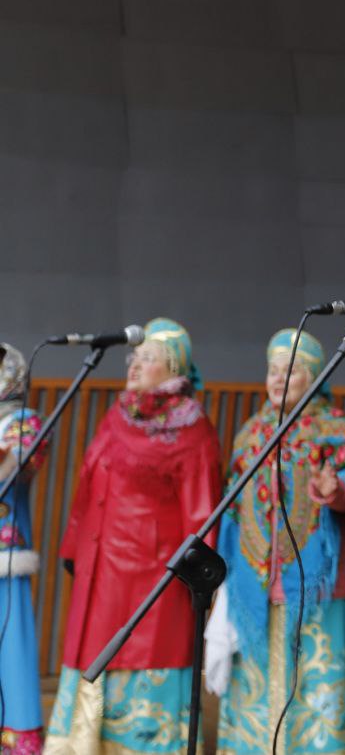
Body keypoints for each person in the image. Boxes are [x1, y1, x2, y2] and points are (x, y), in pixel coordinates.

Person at [46, 318, 222, 754]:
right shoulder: (117, 413)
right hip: (101, 571)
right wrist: (74, 550)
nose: (136, 365)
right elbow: (88, 488)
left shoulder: (191, 426)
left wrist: (196, 577)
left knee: (143, 656)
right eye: (135, 357)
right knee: (94, 656)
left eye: (149, 358)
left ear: (173, 367)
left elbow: (202, 512)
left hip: (153, 578)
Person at [209, 328, 345, 755]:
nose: (279, 378)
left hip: (318, 587)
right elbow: (232, 507)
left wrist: (335, 489)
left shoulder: (336, 428)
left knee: (317, 689)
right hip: (255, 588)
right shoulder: (250, 432)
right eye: (273, 369)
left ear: (314, 375)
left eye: (292, 370)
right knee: (258, 694)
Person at [0, 344, 48, 755]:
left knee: (9, 646)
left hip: (5, 555)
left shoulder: (22, 421)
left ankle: (17, 738)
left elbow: (24, 461)